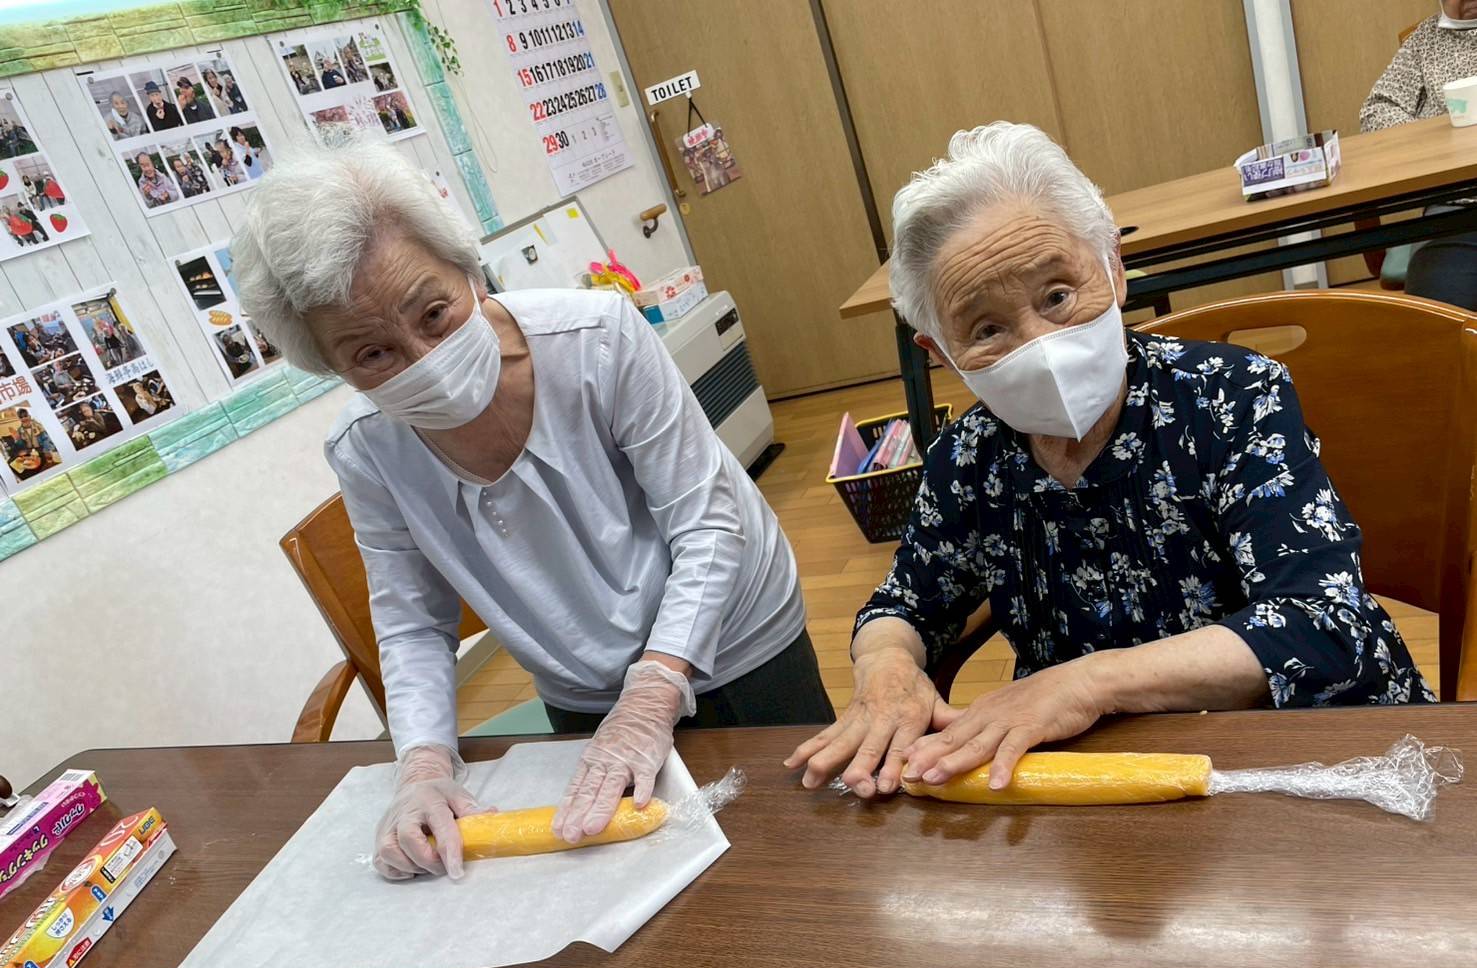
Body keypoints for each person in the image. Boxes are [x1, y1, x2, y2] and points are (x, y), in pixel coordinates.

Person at [234, 141, 831, 881]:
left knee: (802, 858)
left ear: (470, 270)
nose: (422, 358)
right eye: (371, 354)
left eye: (434, 313)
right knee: (634, 882)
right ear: (330, 366)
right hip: (581, 688)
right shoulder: (367, 449)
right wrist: (423, 765)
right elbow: (413, 622)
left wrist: (652, 694)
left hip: (737, 639)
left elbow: (706, 522)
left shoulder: (598, 341)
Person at [787, 122, 1432, 800]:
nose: (1039, 344)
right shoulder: (966, 459)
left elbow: (1321, 623)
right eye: (986, 329)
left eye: (1057, 295)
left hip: (1308, 755)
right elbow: (905, 603)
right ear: (940, 353)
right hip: (1100, 777)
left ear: (1114, 268)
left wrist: (1086, 683)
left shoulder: (1231, 395)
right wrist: (886, 668)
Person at [1361, 2, 1477, 308]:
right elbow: (1376, 112)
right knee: (1440, 310)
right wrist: (1441, 138)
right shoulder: (1425, 41)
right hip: (1456, 209)